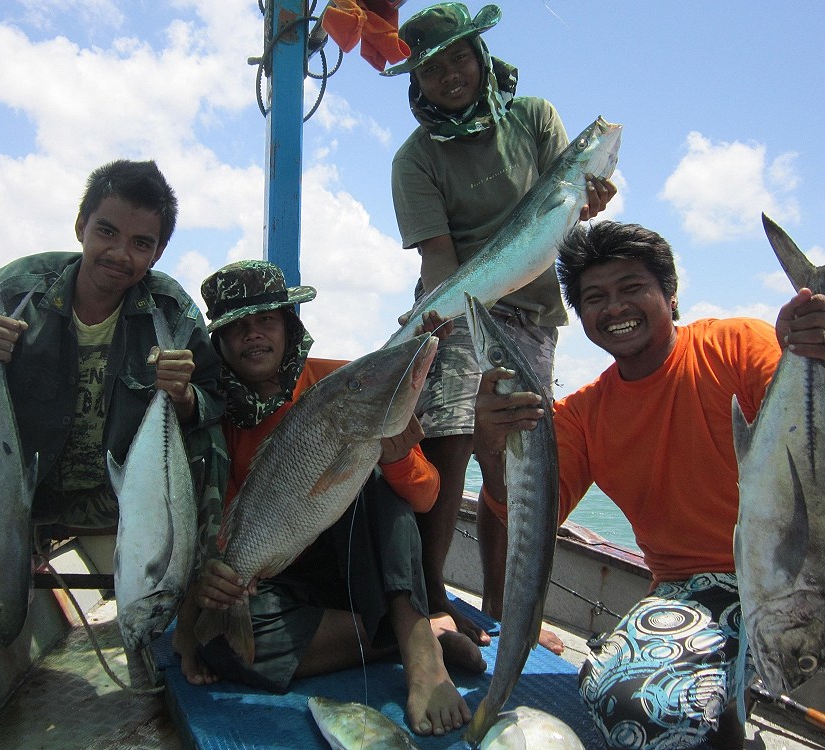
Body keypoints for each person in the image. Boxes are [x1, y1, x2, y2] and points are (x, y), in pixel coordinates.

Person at [472, 220, 825, 749]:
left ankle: (730, 709)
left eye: (632, 288)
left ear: (670, 295)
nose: (614, 308)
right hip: (695, 591)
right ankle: (727, 718)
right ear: (582, 316)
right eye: (595, 297)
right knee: (625, 702)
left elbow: (811, 435)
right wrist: (492, 445)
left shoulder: (737, 345)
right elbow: (517, 511)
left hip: (797, 568)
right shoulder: (581, 417)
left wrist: (814, 347)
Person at [0, 159, 228, 666]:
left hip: (117, 498)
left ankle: (185, 610)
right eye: (106, 232)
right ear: (80, 227)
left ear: (157, 252)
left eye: (141, 243)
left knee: (208, 438)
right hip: (22, 492)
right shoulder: (20, 286)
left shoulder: (169, 309)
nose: (120, 253)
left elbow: (214, 395)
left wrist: (183, 396)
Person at [382, 2, 616, 651]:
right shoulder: (415, 160)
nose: (450, 75)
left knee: (513, 460)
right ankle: (431, 596)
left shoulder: (536, 118)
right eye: (433, 69)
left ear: (481, 54)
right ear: (416, 82)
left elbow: (556, 220)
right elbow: (439, 261)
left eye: (459, 56)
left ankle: (504, 603)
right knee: (453, 429)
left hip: (535, 313)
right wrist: (446, 322)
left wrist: (586, 206)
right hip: (454, 301)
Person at [171, 260, 486, 737]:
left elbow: (425, 499)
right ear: (219, 342)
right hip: (285, 577)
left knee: (376, 478)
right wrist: (210, 587)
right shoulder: (216, 417)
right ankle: (407, 639)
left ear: (289, 326)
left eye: (266, 321)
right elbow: (222, 524)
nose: (253, 336)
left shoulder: (341, 381)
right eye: (237, 327)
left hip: (355, 567)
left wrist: (397, 459)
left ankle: (421, 650)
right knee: (224, 645)